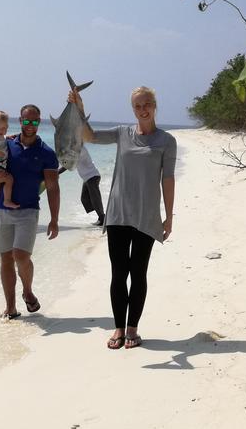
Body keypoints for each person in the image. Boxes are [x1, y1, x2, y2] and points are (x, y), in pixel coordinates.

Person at [69, 85, 176, 349]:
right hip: (117, 213)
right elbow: (89, 136)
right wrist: (79, 109)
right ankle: (118, 328)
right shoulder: (122, 133)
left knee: (138, 273)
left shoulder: (166, 141)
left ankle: (133, 329)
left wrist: (169, 216)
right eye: (138, 106)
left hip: (147, 215)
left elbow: (168, 178)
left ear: (155, 105)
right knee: (119, 273)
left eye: (147, 104)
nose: (143, 110)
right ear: (133, 109)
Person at [0, 104, 60, 320]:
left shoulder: (47, 153)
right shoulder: (7, 144)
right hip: (2, 210)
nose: (29, 125)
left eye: (34, 121)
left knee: (21, 256)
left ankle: (28, 290)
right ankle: (11, 308)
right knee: (5, 259)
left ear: (39, 122)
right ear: (20, 121)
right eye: (26, 121)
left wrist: (55, 219)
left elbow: (52, 187)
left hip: (28, 211)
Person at [76, 145, 105, 226]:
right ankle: (101, 216)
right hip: (87, 178)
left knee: (95, 199)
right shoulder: (74, 150)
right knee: (84, 199)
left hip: (92, 176)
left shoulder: (80, 149)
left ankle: (102, 218)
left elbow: (69, 164)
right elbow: (67, 162)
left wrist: (57, 172)